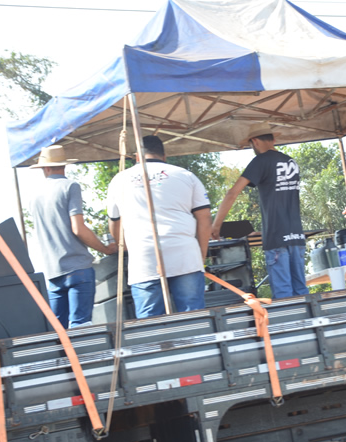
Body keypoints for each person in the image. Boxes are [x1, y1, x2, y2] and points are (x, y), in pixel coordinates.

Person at [107, 135, 211, 318]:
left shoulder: (119, 180)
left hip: (143, 258)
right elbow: (205, 219)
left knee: (151, 323)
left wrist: (129, 248)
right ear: (164, 156)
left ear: (137, 156)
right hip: (184, 255)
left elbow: (115, 224)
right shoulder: (186, 175)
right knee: (194, 318)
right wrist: (199, 257)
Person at [212, 122, 309, 299]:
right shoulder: (291, 161)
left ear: (255, 141)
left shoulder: (261, 161)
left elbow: (232, 193)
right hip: (296, 236)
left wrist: (216, 226)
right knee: (301, 291)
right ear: (273, 140)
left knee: (283, 294)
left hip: (276, 237)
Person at [29, 145, 118, 328]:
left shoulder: (34, 196)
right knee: (80, 326)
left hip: (53, 271)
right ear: (64, 165)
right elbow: (78, 228)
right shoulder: (70, 186)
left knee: (58, 331)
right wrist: (105, 249)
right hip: (78, 267)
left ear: (45, 168)